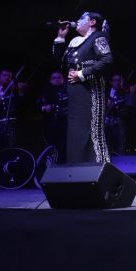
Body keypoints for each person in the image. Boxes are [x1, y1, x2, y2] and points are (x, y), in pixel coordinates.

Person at [53, 12, 113, 164]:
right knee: (75, 134)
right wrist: (60, 38)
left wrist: (81, 74)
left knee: (92, 131)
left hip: (90, 90)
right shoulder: (75, 41)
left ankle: (99, 167)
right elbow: (59, 64)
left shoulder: (98, 37)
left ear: (92, 22)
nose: (77, 21)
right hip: (75, 95)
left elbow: (107, 60)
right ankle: (77, 169)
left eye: (81, 18)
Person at [37, 70, 68, 162]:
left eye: (59, 77)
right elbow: (39, 104)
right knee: (53, 144)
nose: (57, 79)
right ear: (50, 80)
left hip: (67, 121)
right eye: (54, 78)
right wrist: (44, 107)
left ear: (63, 79)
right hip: (52, 122)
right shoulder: (46, 91)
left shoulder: (68, 89)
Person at [105, 73, 127, 155]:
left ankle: (119, 159)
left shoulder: (123, 92)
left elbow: (125, 106)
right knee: (107, 142)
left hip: (118, 120)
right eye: (115, 80)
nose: (117, 82)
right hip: (107, 120)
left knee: (119, 143)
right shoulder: (106, 92)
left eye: (119, 80)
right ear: (111, 82)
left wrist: (116, 104)